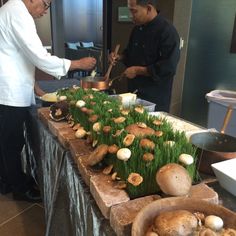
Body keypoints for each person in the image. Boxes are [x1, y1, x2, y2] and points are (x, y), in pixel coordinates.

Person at [0, 0, 96, 202]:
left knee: (9, 140)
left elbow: (17, 56)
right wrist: (77, 63)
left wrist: (34, 87)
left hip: (11, 88)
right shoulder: (17, 11)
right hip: (8, 92)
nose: (45, 11)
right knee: (11, 142)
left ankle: (8, 180)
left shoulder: (13, 10)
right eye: (45, 4)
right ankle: (18, 188)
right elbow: (38, 56)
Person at [110, 0, 180, 112]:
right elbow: (130, 54)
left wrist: (138, 70)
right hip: (133, 93)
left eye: (134, 11)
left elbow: (168, 67)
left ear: (148, 8)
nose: (131, 16)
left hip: (154, 97)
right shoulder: (137, 29)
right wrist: (120, 57)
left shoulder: (167, 31)